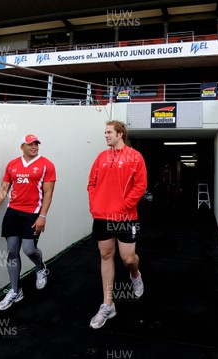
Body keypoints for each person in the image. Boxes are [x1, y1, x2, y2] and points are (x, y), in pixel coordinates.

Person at [0, 133, 56, 311]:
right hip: (13, 213)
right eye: (30, 144)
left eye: (36, 144)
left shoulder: (47, 165)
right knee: (12, 251)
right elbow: (3, 189)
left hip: (33, 213)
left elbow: (48, 193)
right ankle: (15, 290)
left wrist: (43, 216)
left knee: (29, 249)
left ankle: (40, 268)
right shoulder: (12, 165)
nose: (34, 147)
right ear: (22, 147)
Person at [87, 120, 148, 329]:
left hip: (125, 217)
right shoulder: (101, 157)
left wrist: (124, 205)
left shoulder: (135, 157)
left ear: (120, 134)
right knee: (105, 255)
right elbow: (91, 183)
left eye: (109, 132)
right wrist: (94, 205)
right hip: (102, 216)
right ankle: (108, 304)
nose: (105, 135)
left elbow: (141, 185)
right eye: (104, 132)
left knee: (128, 259)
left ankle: (135, 274)